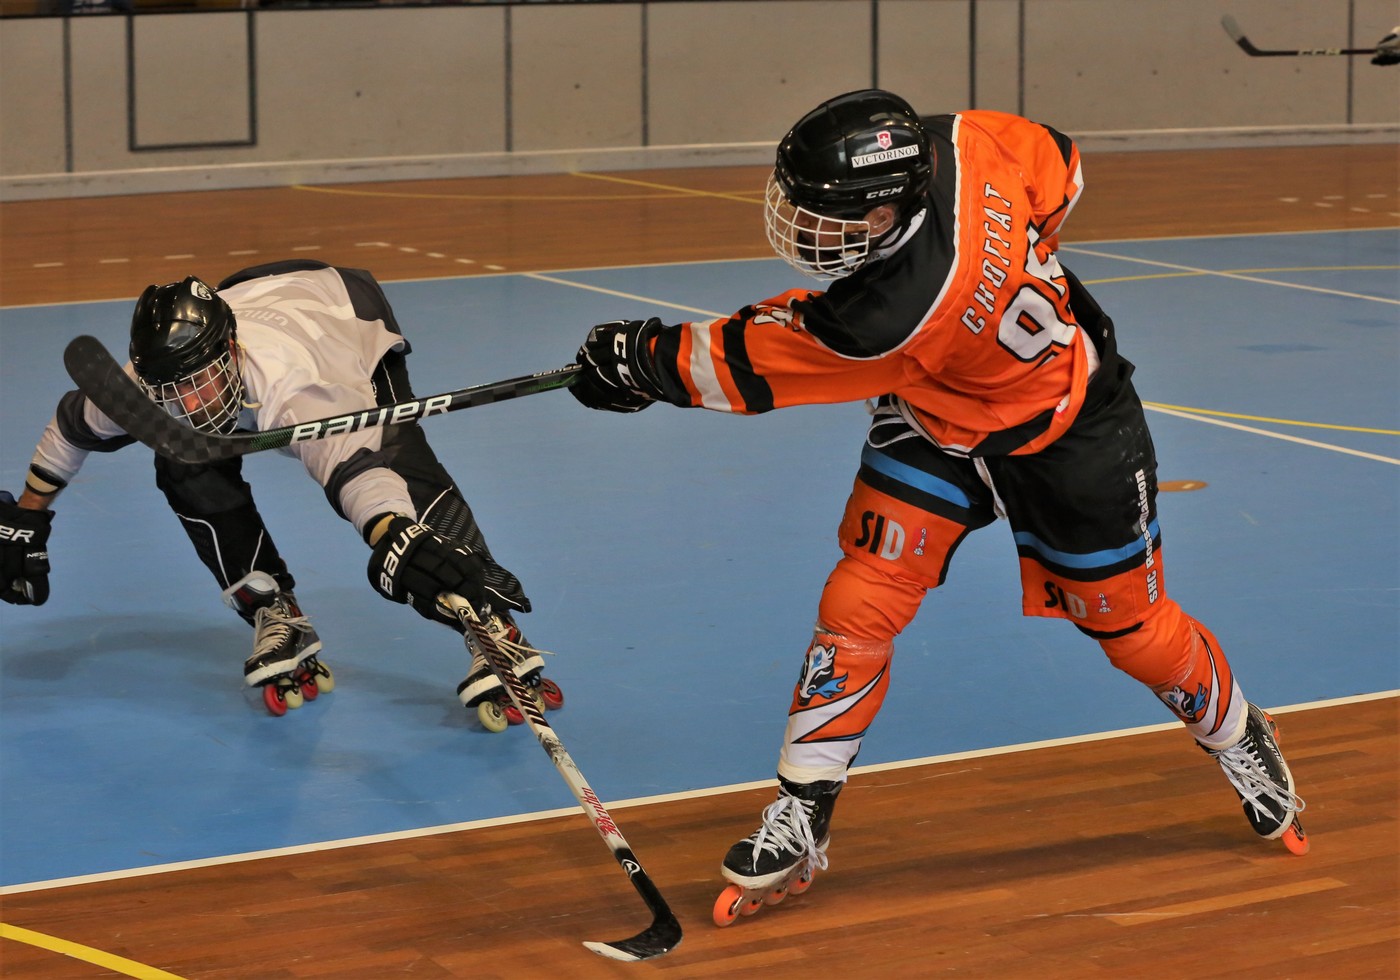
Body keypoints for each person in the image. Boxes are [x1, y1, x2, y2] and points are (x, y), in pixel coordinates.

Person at [566, 89, 1309, 918]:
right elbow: (1061, 163)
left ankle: (1237, 732)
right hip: (937, 418)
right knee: (861, 599)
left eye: (823, 214)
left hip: (1071, 432)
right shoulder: (958, 141)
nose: (803, 224)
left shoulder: (892, 314)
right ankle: (803, 809)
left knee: (1131, 631)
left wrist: (640, 359)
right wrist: (1016, 258)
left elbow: (753, 366)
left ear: (886, 211)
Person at [1, 260, 546, 721]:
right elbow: (69, 427)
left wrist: (395, 533)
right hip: (250, 294)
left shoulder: (303, 386)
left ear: (231, 350)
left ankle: (487, 617)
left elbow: (359, 470)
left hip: (339, 312)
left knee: (401, 458)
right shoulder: (152, 381)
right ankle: (271, 605)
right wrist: (28, 517)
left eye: (199, 383)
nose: (188, 404)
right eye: (171, 390)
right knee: (183, 456)